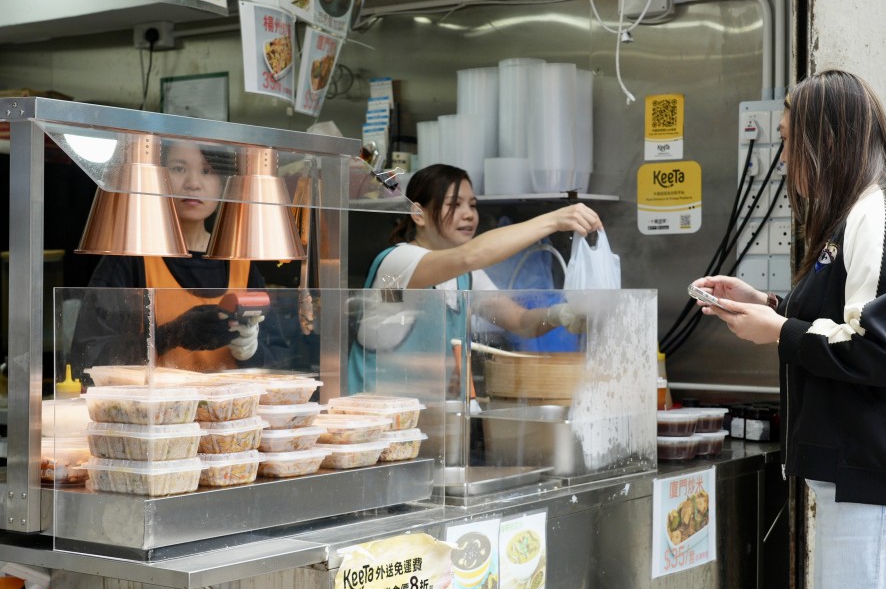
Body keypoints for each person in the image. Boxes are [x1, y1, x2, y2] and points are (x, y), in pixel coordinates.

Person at [691, 70, 886, 589]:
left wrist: (782, 332)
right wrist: (767, 304)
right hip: (873, 482)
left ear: (827, 140)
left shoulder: (884, 215)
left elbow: (877, 348)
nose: (785, 153)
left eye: (791, 138)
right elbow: (844, 315)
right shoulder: (858, 214)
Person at [348, 163, 602, 393]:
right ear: (418, 214)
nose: (469, 214)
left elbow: (520, 320)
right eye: (454, 205)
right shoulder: (396, 264)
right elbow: (469, 256)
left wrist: (562, 314)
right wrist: (553, 221)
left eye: (472, 204)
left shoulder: (466, 277)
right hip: (375, 421)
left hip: (426, 423)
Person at [71, 142, 290, 379]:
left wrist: (251, 352)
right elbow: (89, 360)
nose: (193, 183)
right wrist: (173, 334)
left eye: (207, 171)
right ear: (156, 178)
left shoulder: (242, 264)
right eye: (178, 169)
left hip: (231, 414)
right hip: (154, 414)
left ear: (223, 184)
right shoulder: (131, 259)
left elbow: (280, 365)